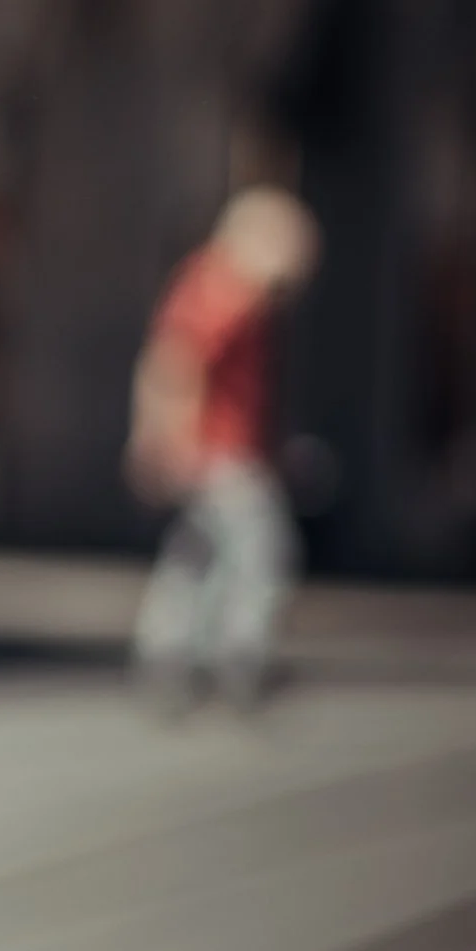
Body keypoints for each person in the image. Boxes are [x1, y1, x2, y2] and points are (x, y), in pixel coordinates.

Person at [127, 183, 322, 709]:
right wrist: (164, 438)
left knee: (196, 554)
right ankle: (239, 656)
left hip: (229, 450)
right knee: (262, 553)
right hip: (217, 452)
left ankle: (171, 652)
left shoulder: (241, 295)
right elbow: (175, 363)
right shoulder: (224, 289)